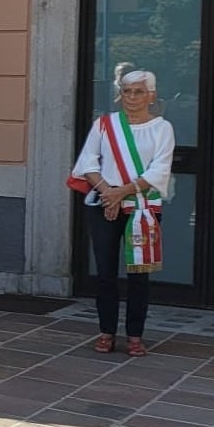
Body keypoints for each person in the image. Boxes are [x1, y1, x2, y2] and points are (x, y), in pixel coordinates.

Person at [71, 68, 174, 357]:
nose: (131, 97)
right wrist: (108, 192)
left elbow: (159, 169)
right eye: (127, 91)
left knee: (139, 274)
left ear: (151, 96)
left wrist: (120, 192)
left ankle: (135, 335)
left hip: (142, 208)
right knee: (105, 273)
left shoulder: (162, 128)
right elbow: (87, 163)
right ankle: (106, 332)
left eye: (138, 92)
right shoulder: (104, 125)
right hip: (106, 205)